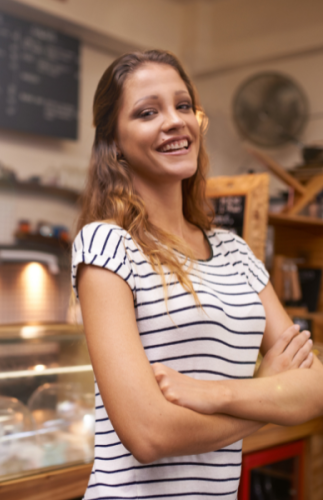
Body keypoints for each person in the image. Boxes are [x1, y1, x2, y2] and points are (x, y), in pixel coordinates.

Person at [71, 49, 323, 500]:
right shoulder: (106, 245)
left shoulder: (235, 252)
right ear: (114, 142)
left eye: (183, 105)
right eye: (148, 112)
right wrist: (268, 392)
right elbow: (148, 433)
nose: (174, 121)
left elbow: (315, 389)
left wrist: (215, 394)